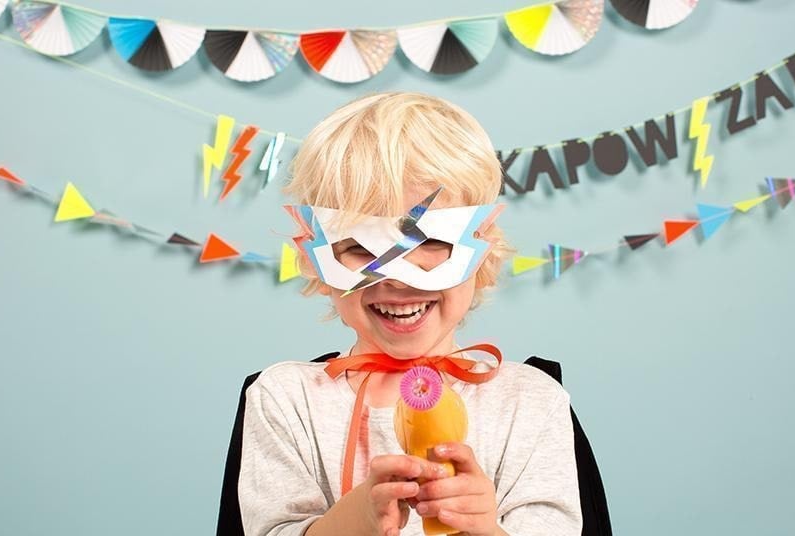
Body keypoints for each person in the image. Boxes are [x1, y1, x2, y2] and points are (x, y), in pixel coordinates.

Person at [238, 92, 582, 536]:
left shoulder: (529, 402)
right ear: (314, 256)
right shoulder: (286, 399)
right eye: (358, 247)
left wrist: (484, 527)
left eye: (433, 242)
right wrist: (353, 520)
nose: (398, 279)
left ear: (483, 247)